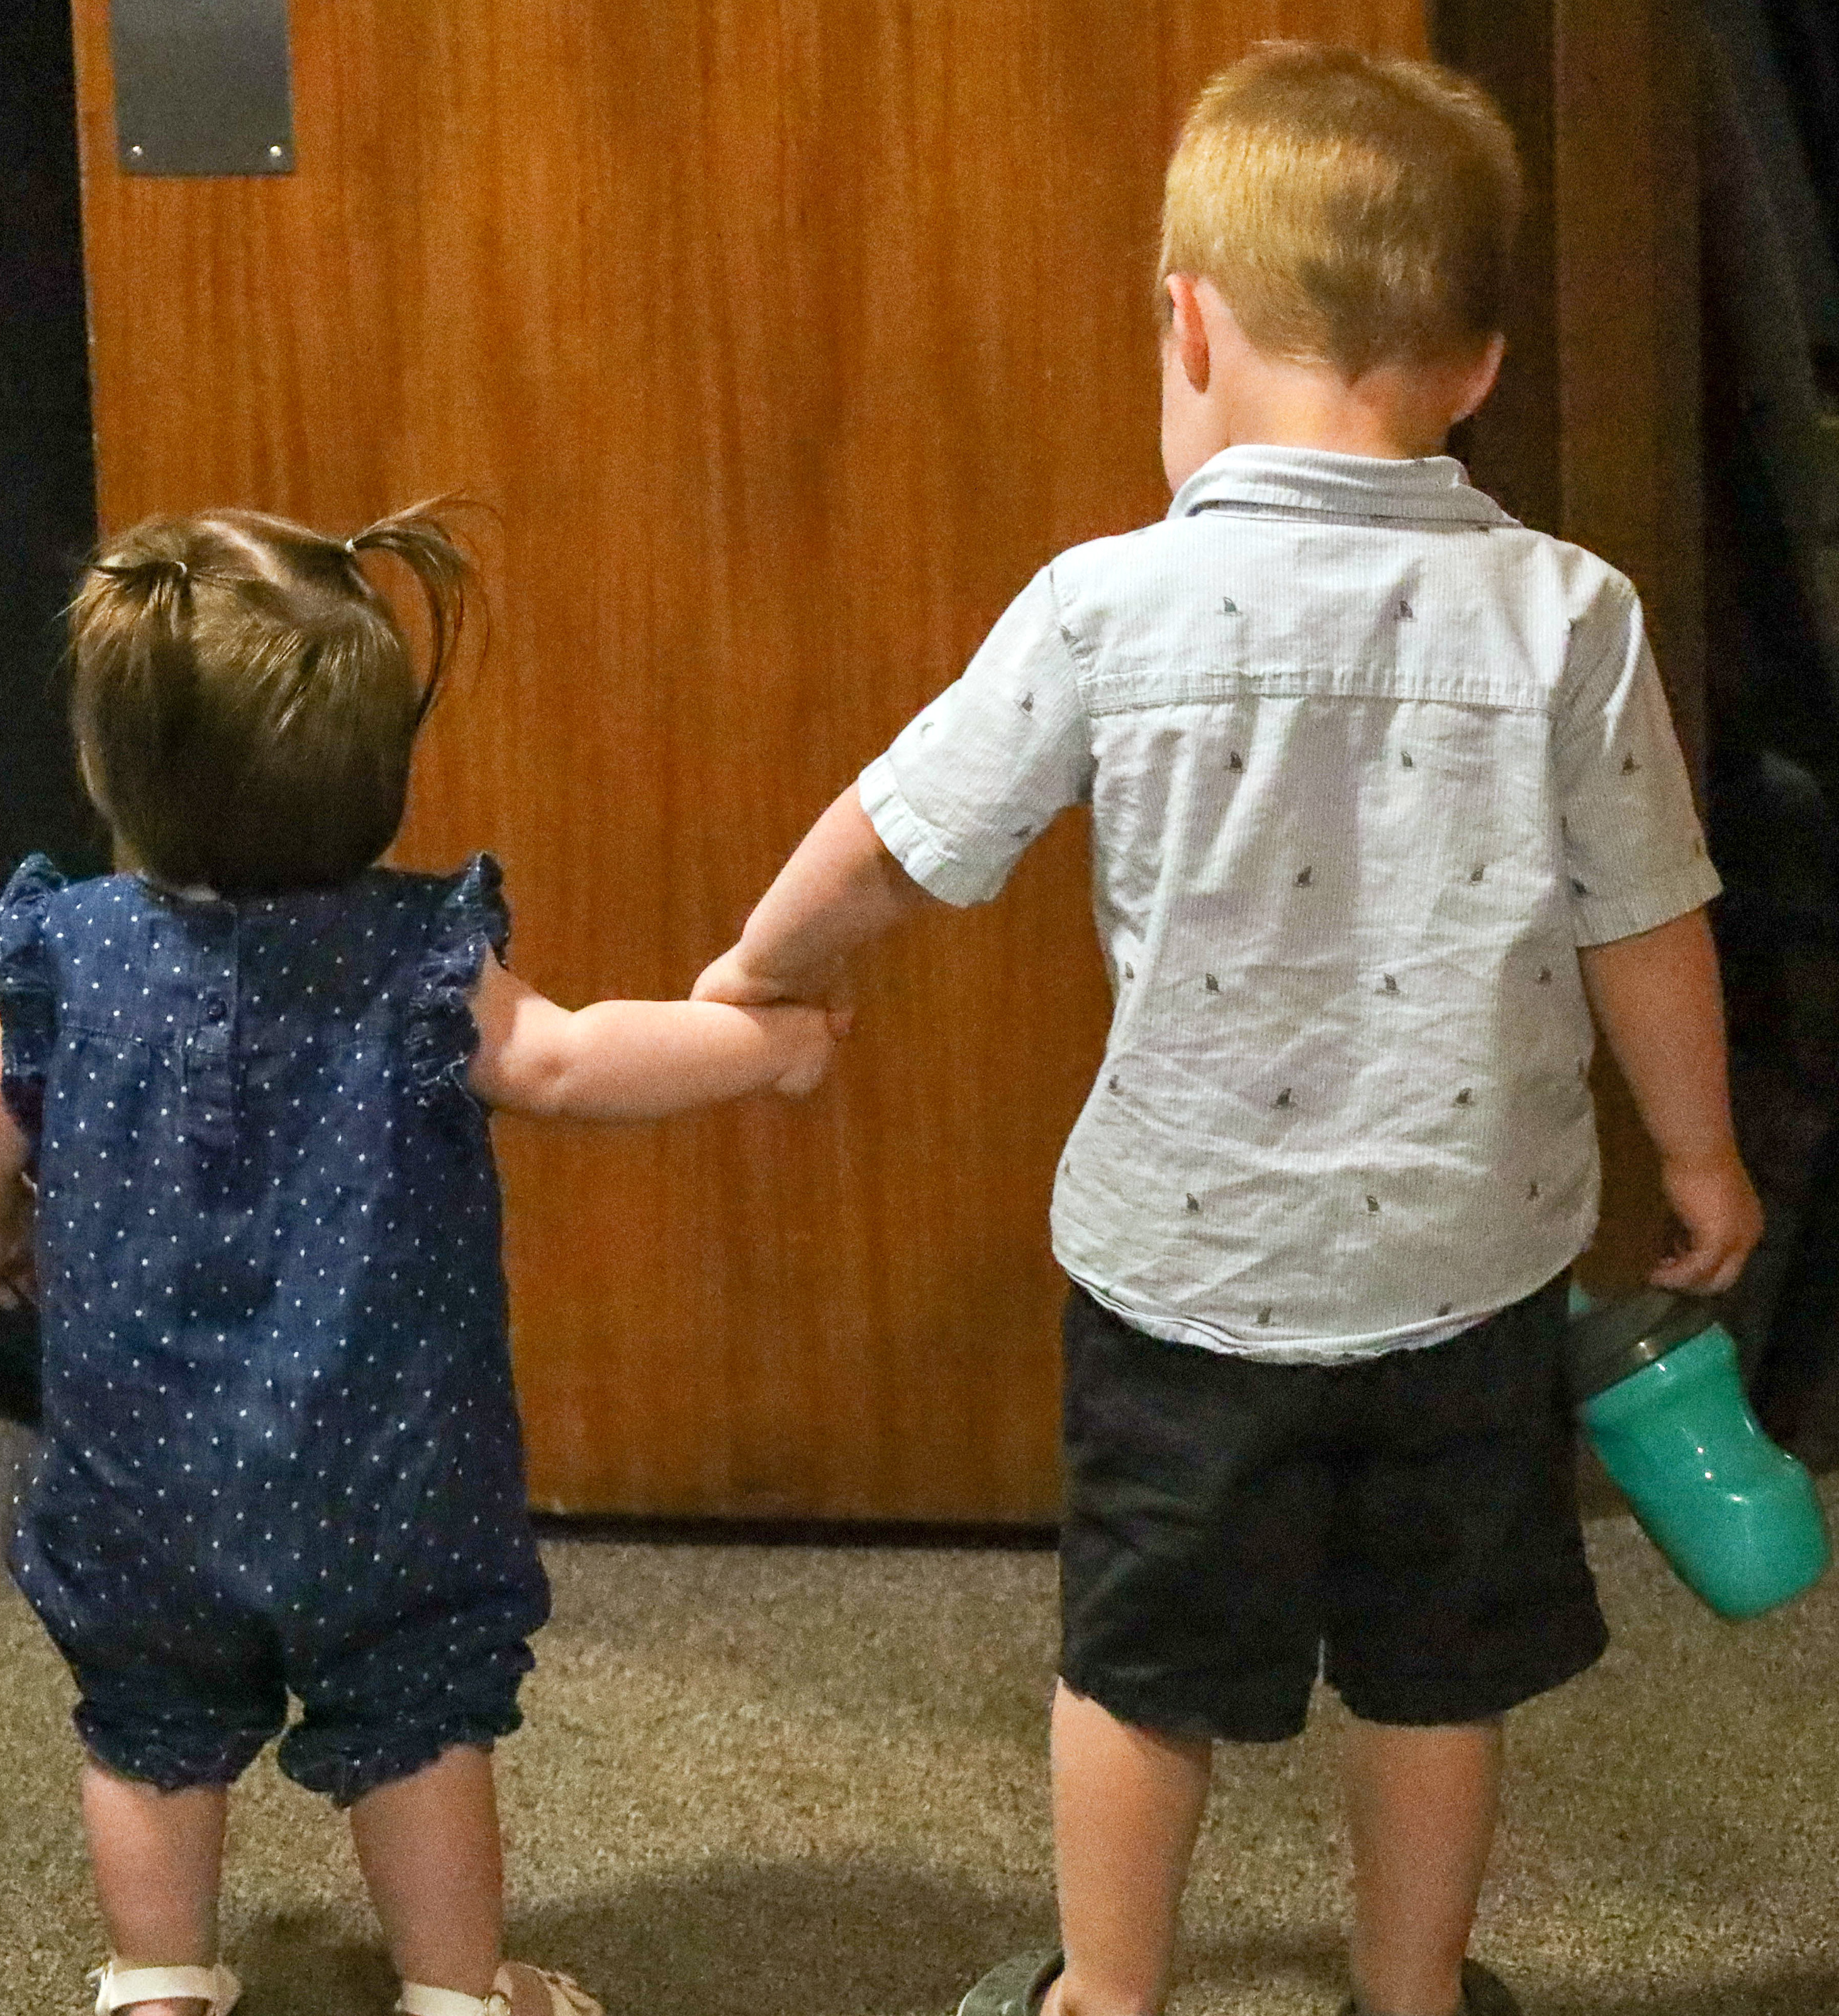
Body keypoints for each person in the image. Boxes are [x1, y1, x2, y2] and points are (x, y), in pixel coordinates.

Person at [691, 43, 1763, 2016]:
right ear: (1479, 367)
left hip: (1183, 1270)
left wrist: (765, 967)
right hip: (1467, 1262)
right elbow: (1647, 919)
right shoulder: (1567, 615)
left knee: (1139, 1662)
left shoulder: (1107, 605)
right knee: (1432, 1672)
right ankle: (1408, 1994)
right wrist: (1696, 1151)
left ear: (1185, 327)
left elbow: (898, 833)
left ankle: (1106, 1996)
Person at [0, 503, 837, 2016]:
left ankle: (157, 1982)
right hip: (387, 1467)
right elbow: (569, 1060)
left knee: (148, 1722)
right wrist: (767, 1044)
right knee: (417, 1717)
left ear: (114, 769)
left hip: (142, 1472)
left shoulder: (65, 954)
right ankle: (457, 1991)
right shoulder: (417, 957)